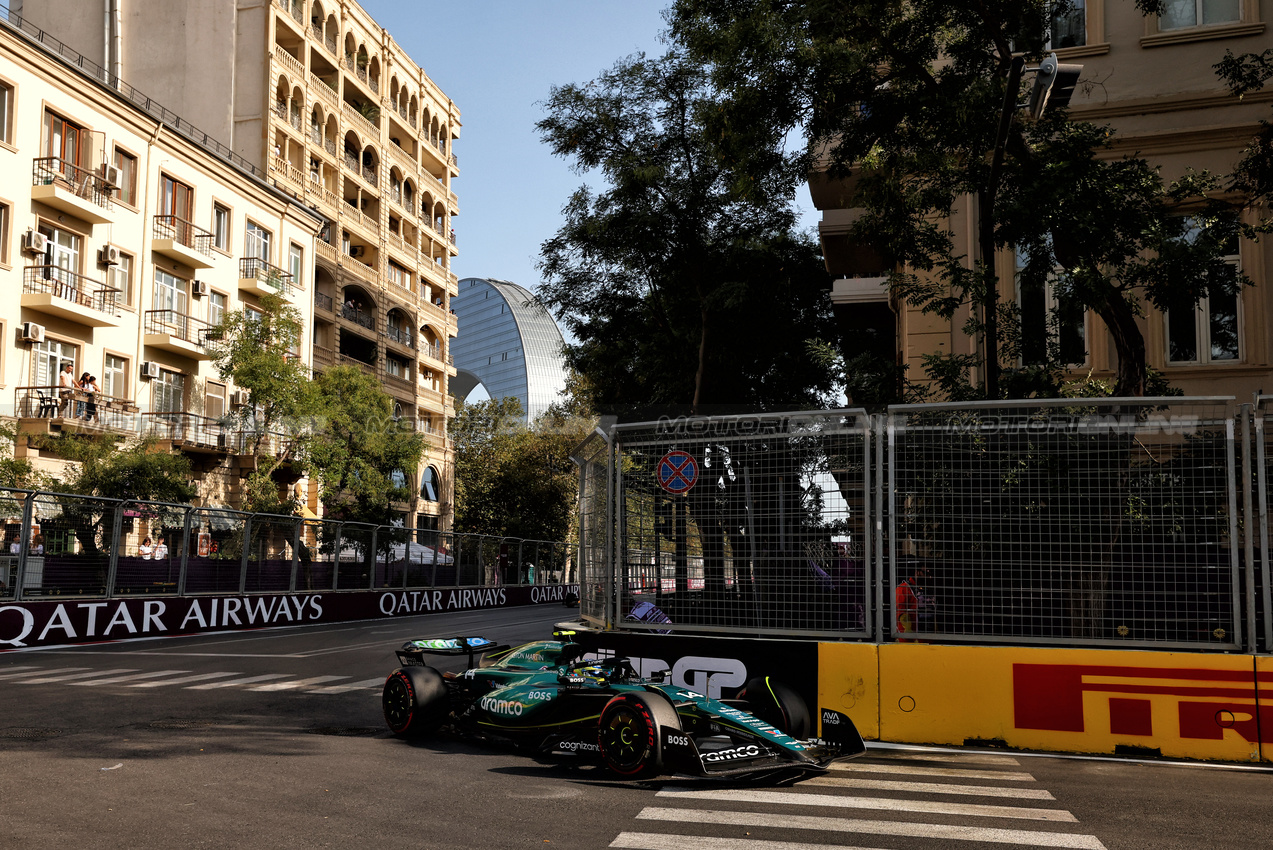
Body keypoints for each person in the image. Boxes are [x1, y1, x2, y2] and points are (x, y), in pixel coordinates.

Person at [896, 564, 933, 641]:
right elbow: (901, 612)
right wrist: (908, 628)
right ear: (917, 572)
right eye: (926, 573)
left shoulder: (929, 590)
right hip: (908, 641)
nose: (929, 577)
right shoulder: (903, 588)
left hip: (927, 639)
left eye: (930, 574)